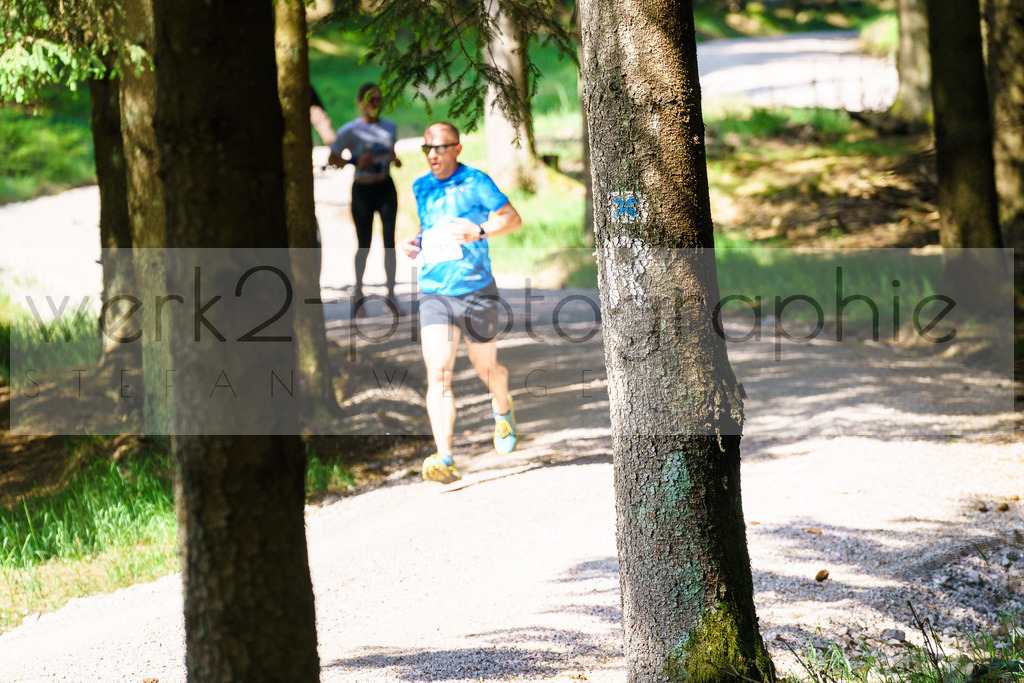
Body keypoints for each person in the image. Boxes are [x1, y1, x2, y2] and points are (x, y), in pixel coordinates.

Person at [401, 121, 523, 484]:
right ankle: (445, 458)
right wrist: (416, 243)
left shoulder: (476, 181)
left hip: (476, 290)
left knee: (486, 368)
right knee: (438, 372)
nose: (432, 155)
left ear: (457, 148)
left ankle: (503, 408)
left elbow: (513, 219)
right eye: (427, 148)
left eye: (440, 148)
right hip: (435, 291)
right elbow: (430, 228)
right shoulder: (421, 186)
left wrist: (479, 230)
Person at [328, 83, 403, 317]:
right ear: (360, 103)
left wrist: (394, 159)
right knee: (364, 244)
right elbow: (332, 159)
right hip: (362, 191)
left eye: (379, 100)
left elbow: (391, 153)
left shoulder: (390, 127)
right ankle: (359, 297)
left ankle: (391, 297)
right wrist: (354, 161)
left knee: (389, 242)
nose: (375, 105)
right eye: (371, 101)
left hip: (385, 188)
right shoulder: (350, 131)